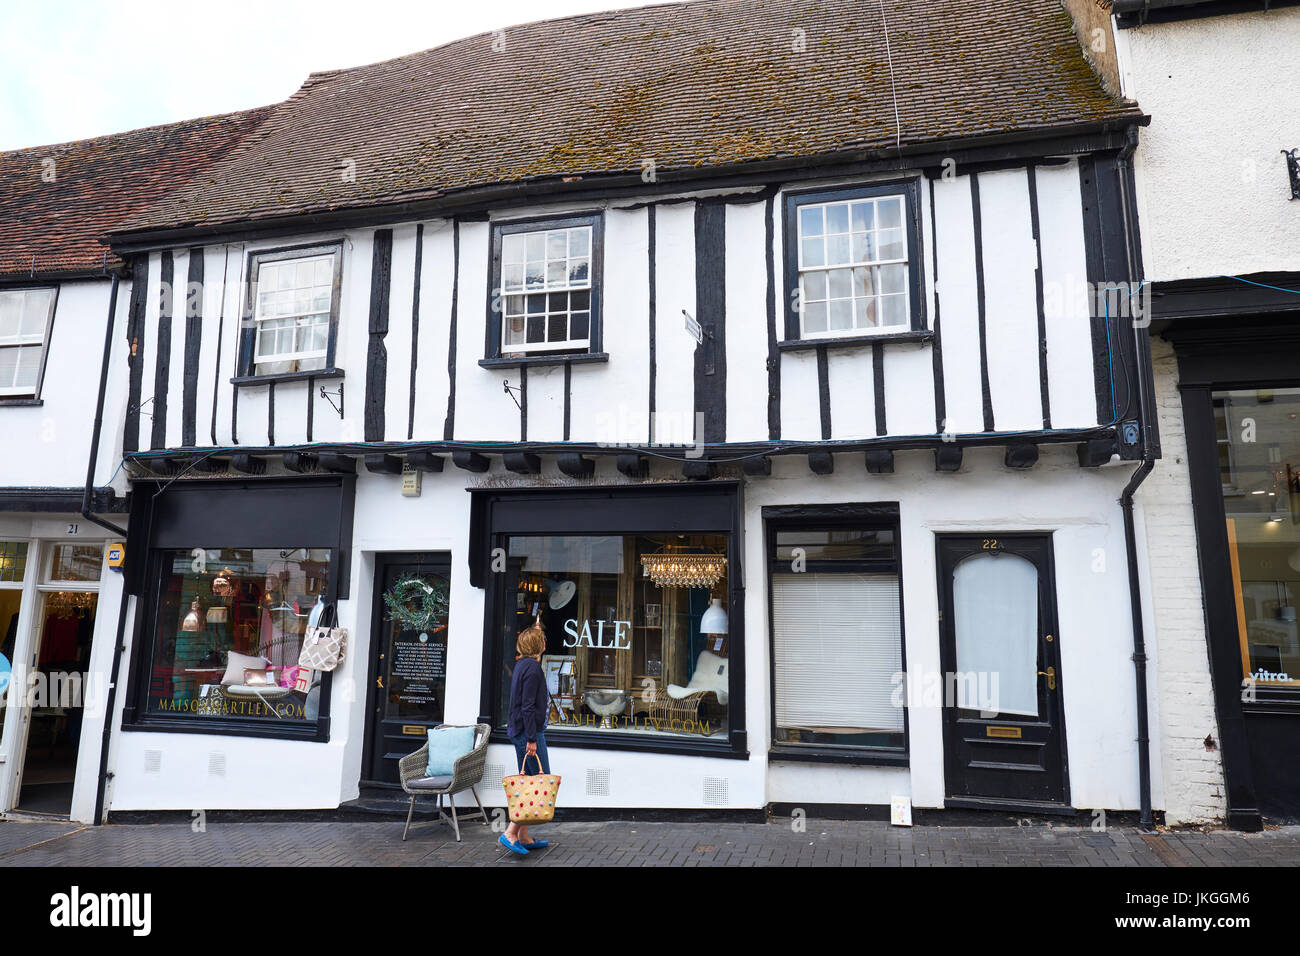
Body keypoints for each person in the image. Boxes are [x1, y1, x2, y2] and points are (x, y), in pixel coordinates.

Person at [500, 619, 551, 856]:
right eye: (542, 639)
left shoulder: (522, 665)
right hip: (527, 733)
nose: (545, 642)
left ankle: (524, 835)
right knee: (535, 783)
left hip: (521, 730)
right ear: (538, 645)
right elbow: (528, 707)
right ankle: (511, 832)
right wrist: (532, 738)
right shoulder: (532, 669)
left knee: (530, 781)